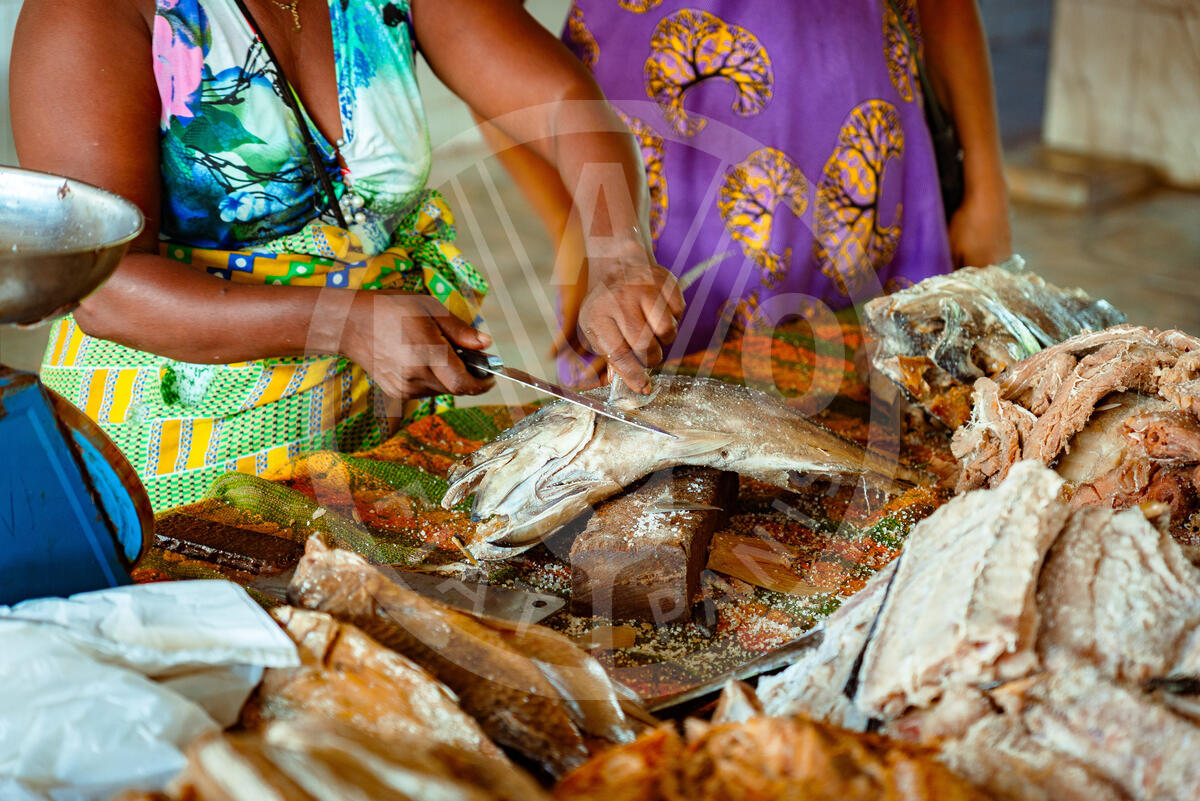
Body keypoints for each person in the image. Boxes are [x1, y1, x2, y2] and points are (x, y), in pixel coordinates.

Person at [10, 0, 682, 509]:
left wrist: (618, 255)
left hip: (374, 422)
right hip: (178, 446)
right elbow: (105, 290)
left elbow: (562, 105)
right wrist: (344, 321)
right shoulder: (91, 14)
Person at [481, 0, 1013, 386]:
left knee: (912, 418)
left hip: (880, 197)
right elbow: (476, 38)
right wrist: (575, 225)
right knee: (647, 468)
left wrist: (987, 189)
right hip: (660, 223)